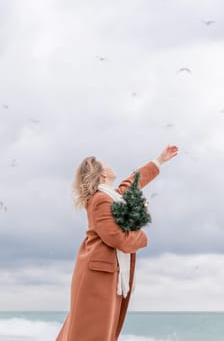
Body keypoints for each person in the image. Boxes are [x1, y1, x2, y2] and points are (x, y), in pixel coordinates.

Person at [56, 145, 179, 341]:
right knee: (92, 332)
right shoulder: (100, 200)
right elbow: (116, 237)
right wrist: (142, 237)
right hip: (97, 277)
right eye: (106, 164)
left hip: (106, 274)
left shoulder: (111, 196)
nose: (111, 166)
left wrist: (159, 160)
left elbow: (132, 182)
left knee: (99, 330)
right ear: (102, 174)